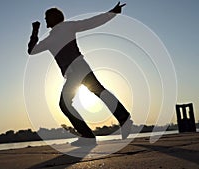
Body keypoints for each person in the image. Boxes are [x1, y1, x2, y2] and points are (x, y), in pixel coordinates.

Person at [28, 2, 133, 146]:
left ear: (54, 18)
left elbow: (91, 22)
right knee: (99, 92)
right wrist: (35, 31)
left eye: (47, 17)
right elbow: (32, 51)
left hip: (77, 68)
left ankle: (89, 136)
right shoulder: (50, 39)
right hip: (78, 68)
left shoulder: (67, 27)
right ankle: (123, 118)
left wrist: (113, 12)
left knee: (65, 103)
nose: (45, 19)